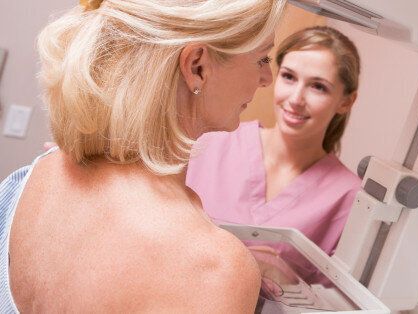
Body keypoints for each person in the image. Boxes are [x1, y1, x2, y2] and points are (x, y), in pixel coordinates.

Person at [0, 0, 286, 312]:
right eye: (262, 59)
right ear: (197, 67)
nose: (267, 79)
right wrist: (227, 277)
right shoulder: (214, 268)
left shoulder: (33, 176)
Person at [186, 26, 362, 282]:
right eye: (289, 77)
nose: (296, 99)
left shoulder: (348, 197)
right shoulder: (212, 140)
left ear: (345, 101)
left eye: (318, 87)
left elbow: (332, 301)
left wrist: (287, 278)